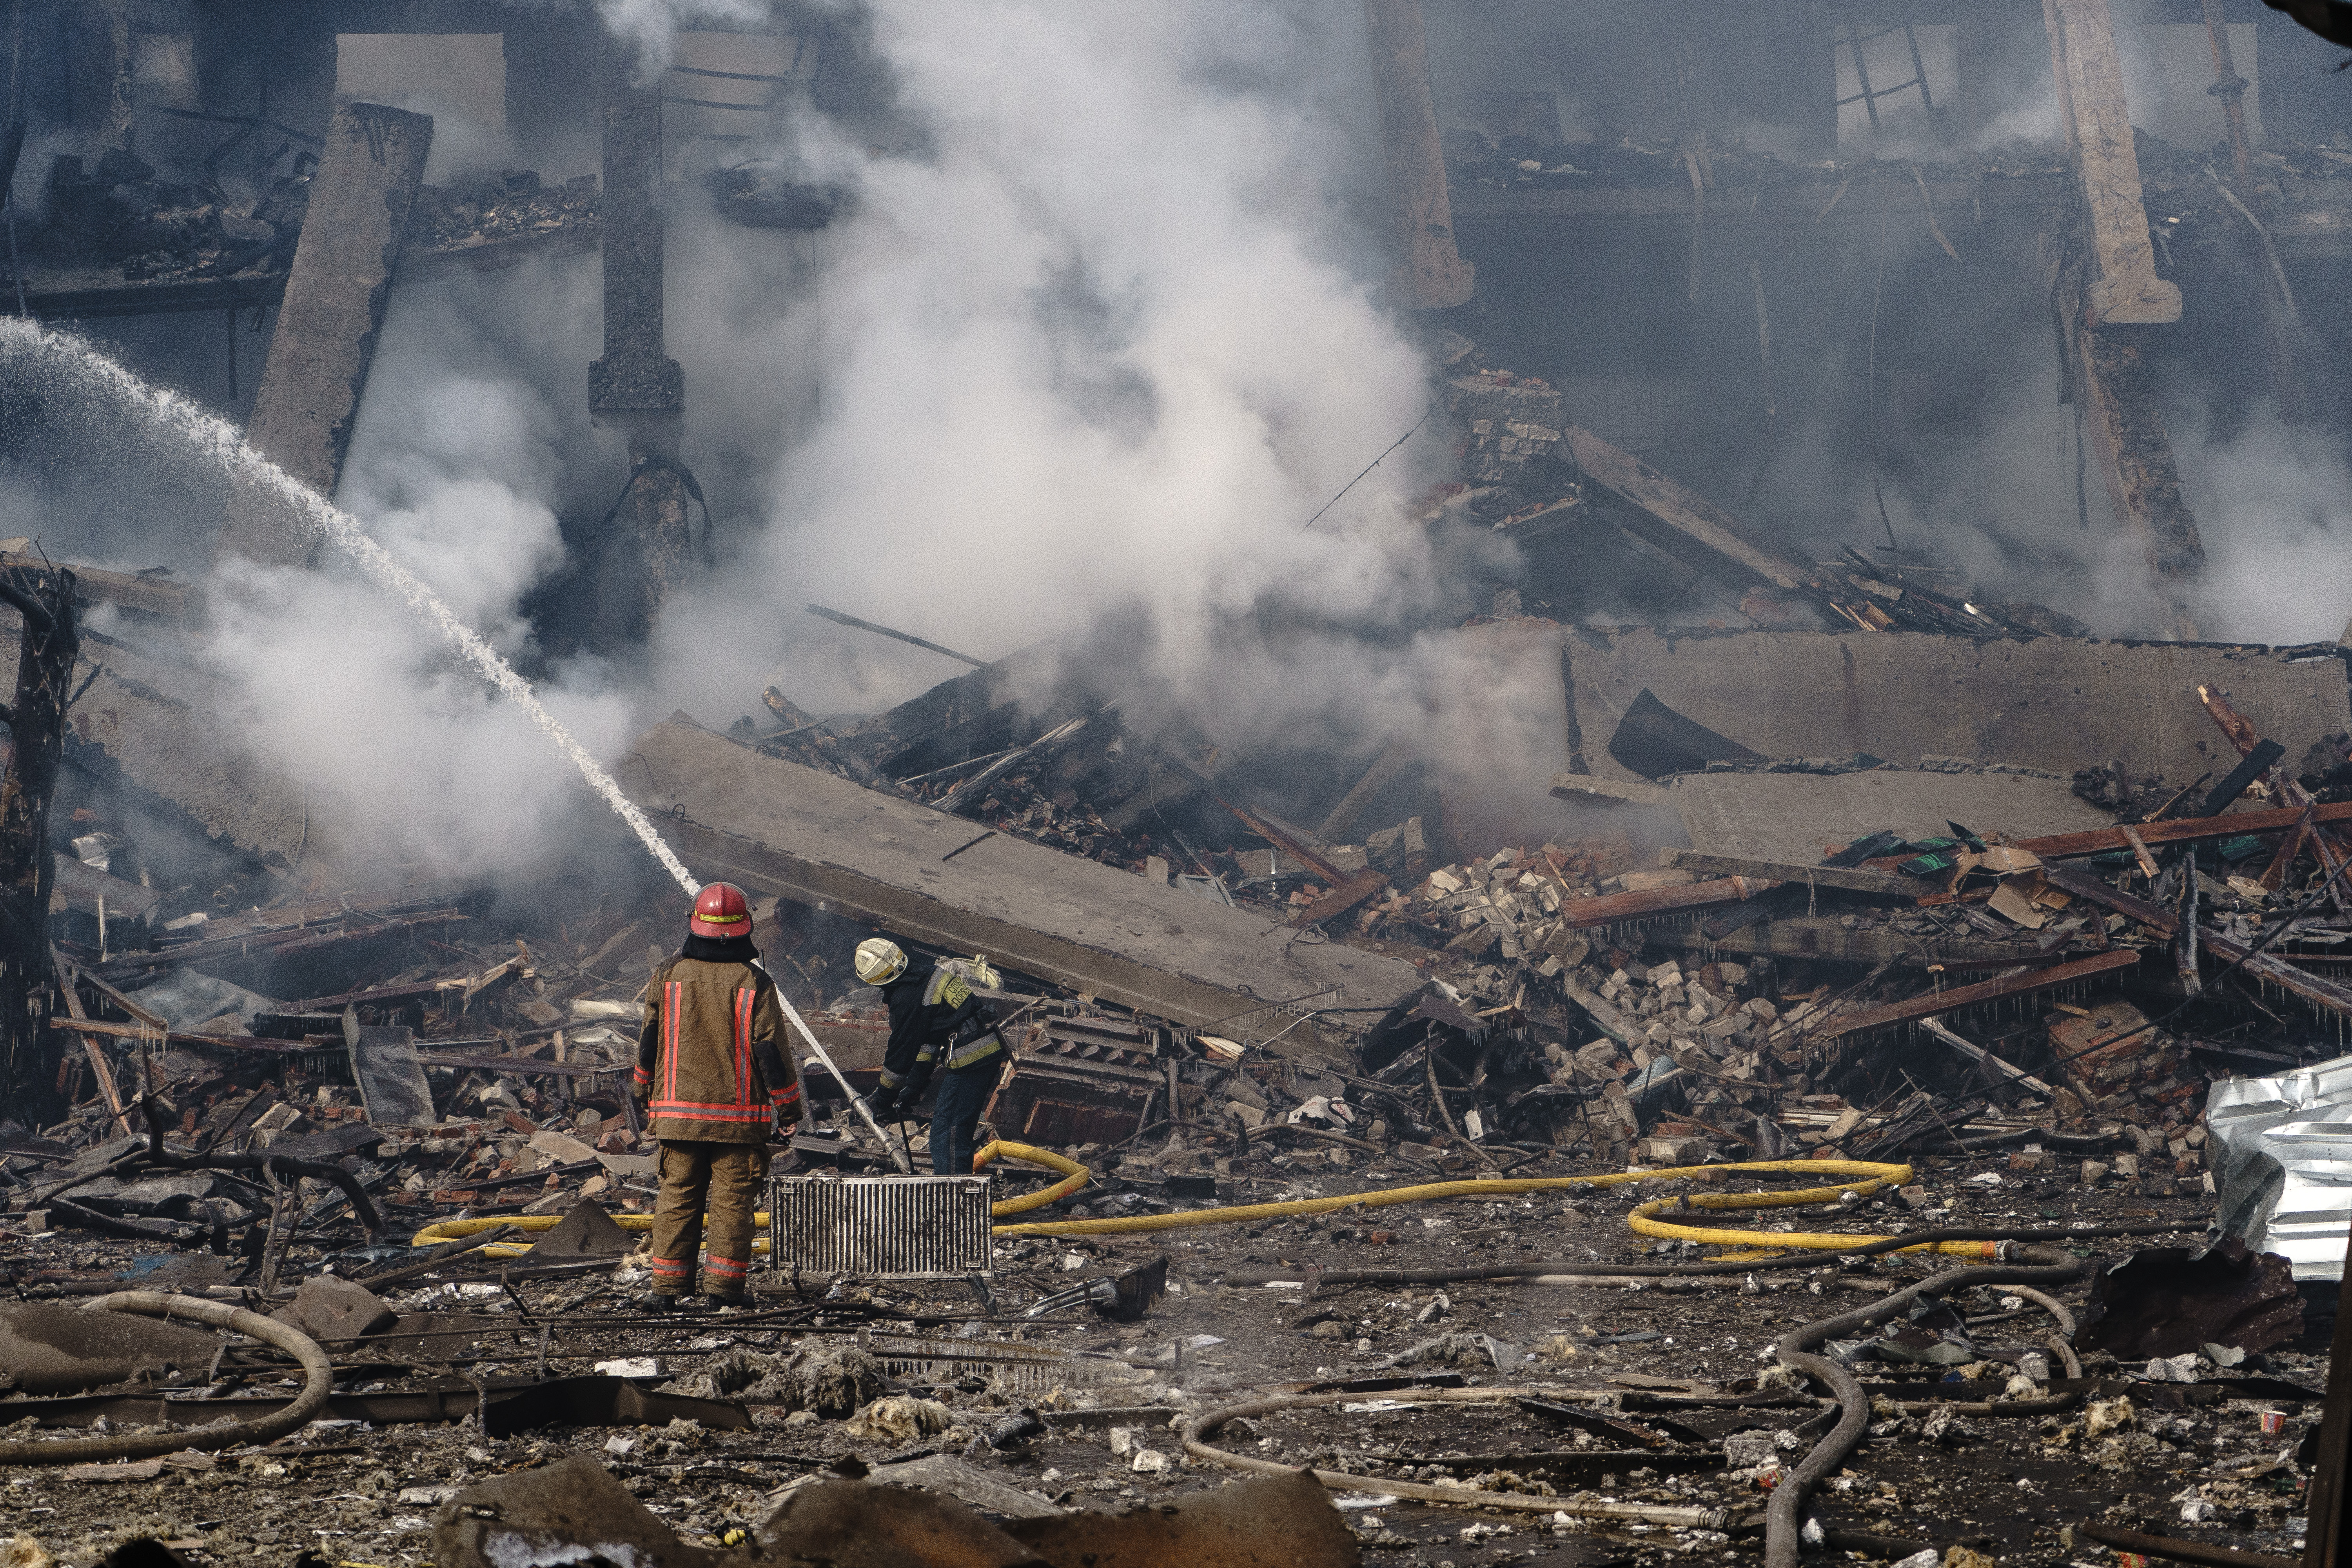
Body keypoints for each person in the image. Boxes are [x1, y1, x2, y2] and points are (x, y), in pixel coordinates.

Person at [632, 882, 800, 1309]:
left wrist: (641, 1088)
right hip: (738, 1123)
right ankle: (722, 1293)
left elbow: (649, 1040)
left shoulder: (668, 974)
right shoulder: (755, 982)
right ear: (745, 929)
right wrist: (788, 1107)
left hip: (677, 1116)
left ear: (695, 923)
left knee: (677, 1199)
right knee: (732, 1204)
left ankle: (666, 1292)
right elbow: (771, 1052)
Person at [853, 937, 1004, 1180]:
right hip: (983, 1051)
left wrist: (883, 1099)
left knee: (947, 1135)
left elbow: (899, 1056)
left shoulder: (907, 999)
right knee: (954, 1131)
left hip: (971, 1059)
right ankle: (960, 1192)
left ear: (874, 980)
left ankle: (957, 1201)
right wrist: (913, 1088)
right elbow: (929, 1040)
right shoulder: (928, 973)